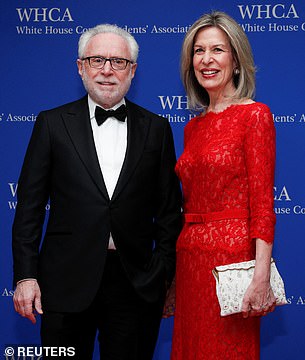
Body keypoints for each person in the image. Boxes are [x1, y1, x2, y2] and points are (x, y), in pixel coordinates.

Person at [12, 24, 182, 360]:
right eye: (96, 60)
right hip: (63, 285)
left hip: (135, 285)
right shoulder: (51, 124)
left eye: (118, 62)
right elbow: (29, 209)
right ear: (80, 67)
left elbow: (169, 211)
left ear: (132, 71)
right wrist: (26, 276)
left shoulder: (158, 128)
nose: (106, 70)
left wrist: (162, 274)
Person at [170, 11, 276, 359]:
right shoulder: (192, 127)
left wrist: (260, 276)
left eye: (217, 49)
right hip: (189, 261)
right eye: (198, 51)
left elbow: (262, 206)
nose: (206, 60)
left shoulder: (255, 116)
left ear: (235, 59)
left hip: (232, 266)